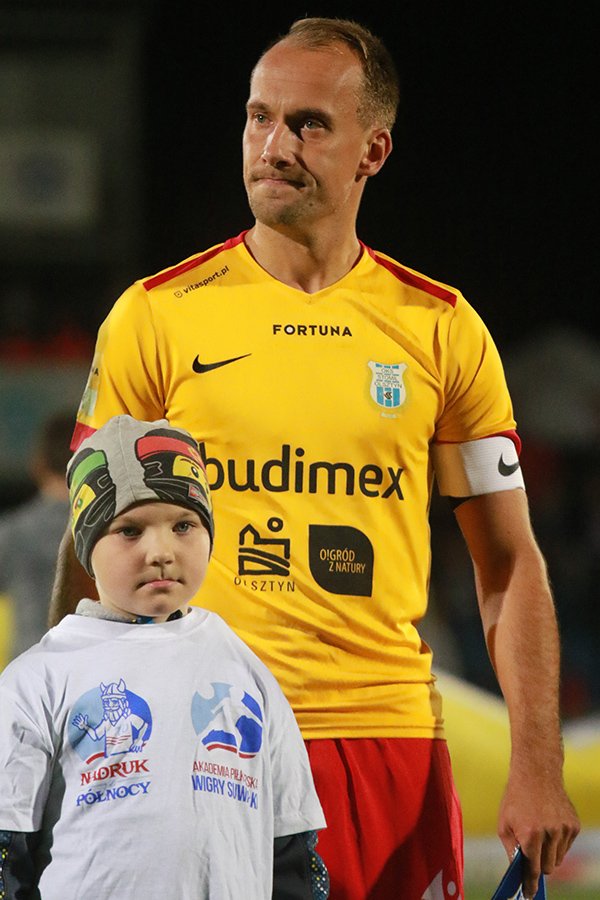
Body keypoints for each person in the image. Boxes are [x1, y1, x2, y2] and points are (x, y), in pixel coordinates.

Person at [49, 17, 579, 900]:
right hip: (207, 739)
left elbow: (509, 563)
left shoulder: (441, 328)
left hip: (390, 750)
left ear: (373, 150)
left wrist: (537, 763)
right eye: (260, 117)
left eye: (308, 124)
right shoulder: (155, 316)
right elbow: (92, 539)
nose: (274, 146)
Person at [0, 415, 327, 900]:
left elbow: (292, 849)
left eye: (183, 525)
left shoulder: (245, 669)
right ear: (87, 547)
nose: (161, 551)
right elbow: (8, 852)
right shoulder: (37, 679)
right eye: (130, 530)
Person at [0, 412, 73, 660]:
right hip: (93, 671)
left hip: (28, 668)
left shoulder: (13, 532)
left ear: (38, 464)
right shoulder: (112, 531)